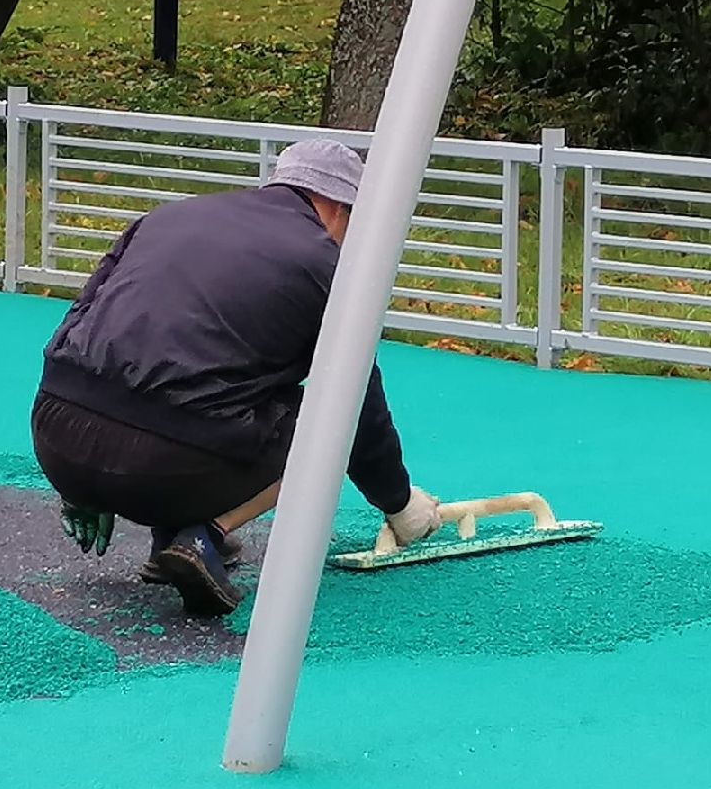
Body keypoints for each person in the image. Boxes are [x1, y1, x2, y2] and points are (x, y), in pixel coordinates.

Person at [30, 138, 441, 617]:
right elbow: (356, 407)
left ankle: (169, 530)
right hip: (167, 462)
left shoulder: (163, 218)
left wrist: (77, 481)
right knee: (319, 416)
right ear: (336, 206)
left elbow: (79, 321)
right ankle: (204, 536)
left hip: (55, 436)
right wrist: (400, 505)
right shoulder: (326, 265)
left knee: (219, 394)